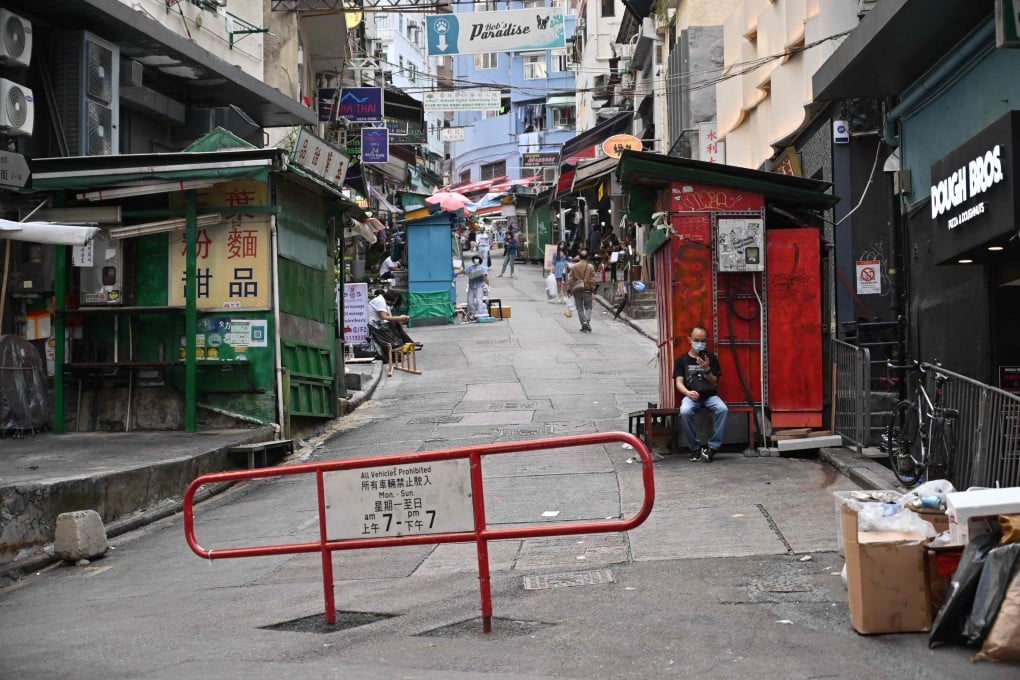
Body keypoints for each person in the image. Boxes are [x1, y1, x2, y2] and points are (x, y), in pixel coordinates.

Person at [673, 325, 728, 462]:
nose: (700, 343)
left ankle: (713, 447)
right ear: (689, 340)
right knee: (685, 411)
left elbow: (714, 382)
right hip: (691, 396)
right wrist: (688, 393)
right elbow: (678, 382)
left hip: (709, 396)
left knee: (723, 409)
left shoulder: (711, 358)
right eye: (697, 340)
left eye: (703, 341)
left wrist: (707, 369)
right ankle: (695, 448)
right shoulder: (682, 360)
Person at [565, 249, 595, 332]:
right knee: (588, 307)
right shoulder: (590, 267)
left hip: (577, 289)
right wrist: (593, 291)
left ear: (579, 257)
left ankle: (583, 324)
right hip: (587, 289)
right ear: (587, 257)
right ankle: (586, 321)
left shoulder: (574, 266)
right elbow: (592, 280)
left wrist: (568, 289)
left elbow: (570, 279)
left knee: (580, 308)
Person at [465, 254, 489, 319]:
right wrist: (456, 274)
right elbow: (464, 271)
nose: (475, 260)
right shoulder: (470, 267)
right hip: (471, 286)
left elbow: (486, 277)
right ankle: (473, 313)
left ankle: (480, 314)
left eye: (477, 259)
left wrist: (487, 284)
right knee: (469, 301)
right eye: (474, 259)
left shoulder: (483, 267)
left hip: (479, 286)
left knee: (479, 300)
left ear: (479, 260)